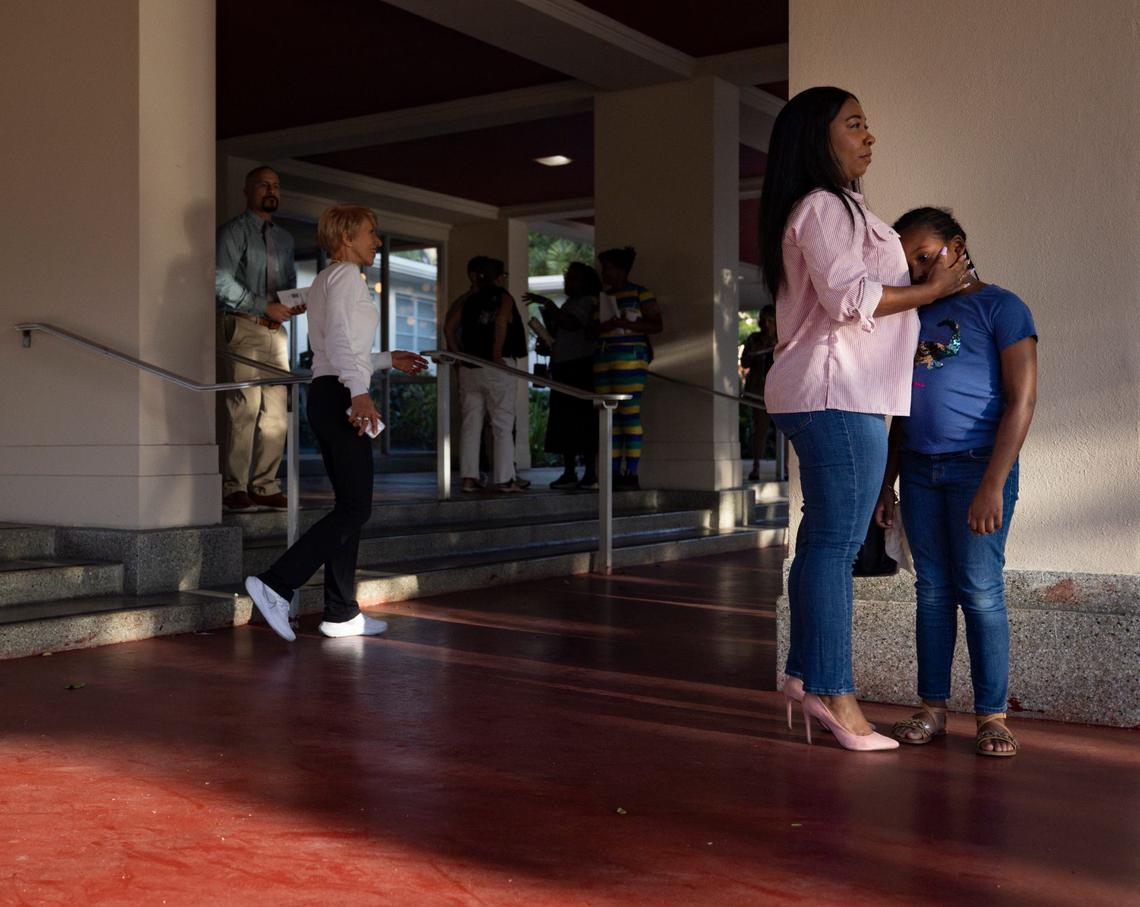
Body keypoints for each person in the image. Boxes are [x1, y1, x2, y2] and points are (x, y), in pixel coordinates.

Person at [759, 87, 970, 751]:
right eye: (854, 124)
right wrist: (932, 289)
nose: (869, 136)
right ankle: (834, 692)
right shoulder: (823, 207)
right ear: (817, 137)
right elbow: (850, 299)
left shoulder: (838, 207)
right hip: (836, 393)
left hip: (835, 392)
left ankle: (805, 675)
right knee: (836, 545)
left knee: (822, 537)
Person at [875, 207, 1037, 757]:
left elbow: (1022, 401)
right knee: (932, 590)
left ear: (958, 247)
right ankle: (932, 708)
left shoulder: (1002, 307)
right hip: (920, 470)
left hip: (978, 468)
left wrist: (993, 483)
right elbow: (900, 409)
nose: (918, 271)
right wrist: (887, 482)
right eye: (910, 264)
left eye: (925, 257)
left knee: (981, 590)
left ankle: (992, 716)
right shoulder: (913, 314)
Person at [244, 205, 427, 640]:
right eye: (371, 232)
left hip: (329, 391)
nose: (376, 241)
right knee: (355, 507)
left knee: (350, 505)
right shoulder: (345, 277)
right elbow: (342, 342)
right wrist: (360, 393)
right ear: (346, 236)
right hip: (342, 395)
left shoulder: (327, 279)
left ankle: (341, 612)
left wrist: (386, 359)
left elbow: (334, 350)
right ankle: (276, 583)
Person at [216, 165, 300, 512]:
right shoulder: (234, 232)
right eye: (264, 185)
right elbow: (220, 281)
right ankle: (234, 487)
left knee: (277, 414)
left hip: (276, 332)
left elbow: (289, 283)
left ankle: (265, 485)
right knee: (245, 409)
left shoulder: (286, 240)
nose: (271, 190)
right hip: (244, 325)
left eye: (276, 185)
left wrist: (294, 303)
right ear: (248, 191)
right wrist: (263, 305)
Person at [444, 257, 527, 493]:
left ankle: (469, 478)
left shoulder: (469, 299)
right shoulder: (503, 297)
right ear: (499, 277)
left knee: (471, 424)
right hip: (496, 367)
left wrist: (459, 357)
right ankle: (505, 479)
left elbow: (449, 328)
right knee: (502, 423)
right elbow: (501, 322)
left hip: (470, 366)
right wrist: (496, 353)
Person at [525, 263, 602, 490]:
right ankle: (569, 471)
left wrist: (548, 304)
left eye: (573, 279)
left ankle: (590, 472)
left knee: (583, 419)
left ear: (585, 282)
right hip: (563, 365)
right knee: (563, 420)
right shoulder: (569, 303)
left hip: (581, 366)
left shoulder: (589, 302)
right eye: (567, 278)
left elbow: (572, 323)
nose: (568, 283)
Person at [594, 247, 663, 491]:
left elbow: (657, 325)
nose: (603, 273)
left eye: (607, 268)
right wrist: (603, 326)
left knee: (629, 413)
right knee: (608, 417)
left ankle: (631, 473)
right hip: (603, 357)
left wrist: (625, 324)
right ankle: (612, 473)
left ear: (621, 270)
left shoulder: (640, 293)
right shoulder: (602, 297)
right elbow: (589, 330)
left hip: (631, 358)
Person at [741, 304, 777, 481]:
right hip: (758, 393)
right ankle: (756, 468)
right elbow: (745, 362)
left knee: (786, 432)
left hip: (780, 391)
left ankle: (786, 468)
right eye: (764, 321)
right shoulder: (754, 339)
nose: (767, 325)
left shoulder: (782, 338)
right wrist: (756, 352)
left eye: (771, 320)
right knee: (760, 430)